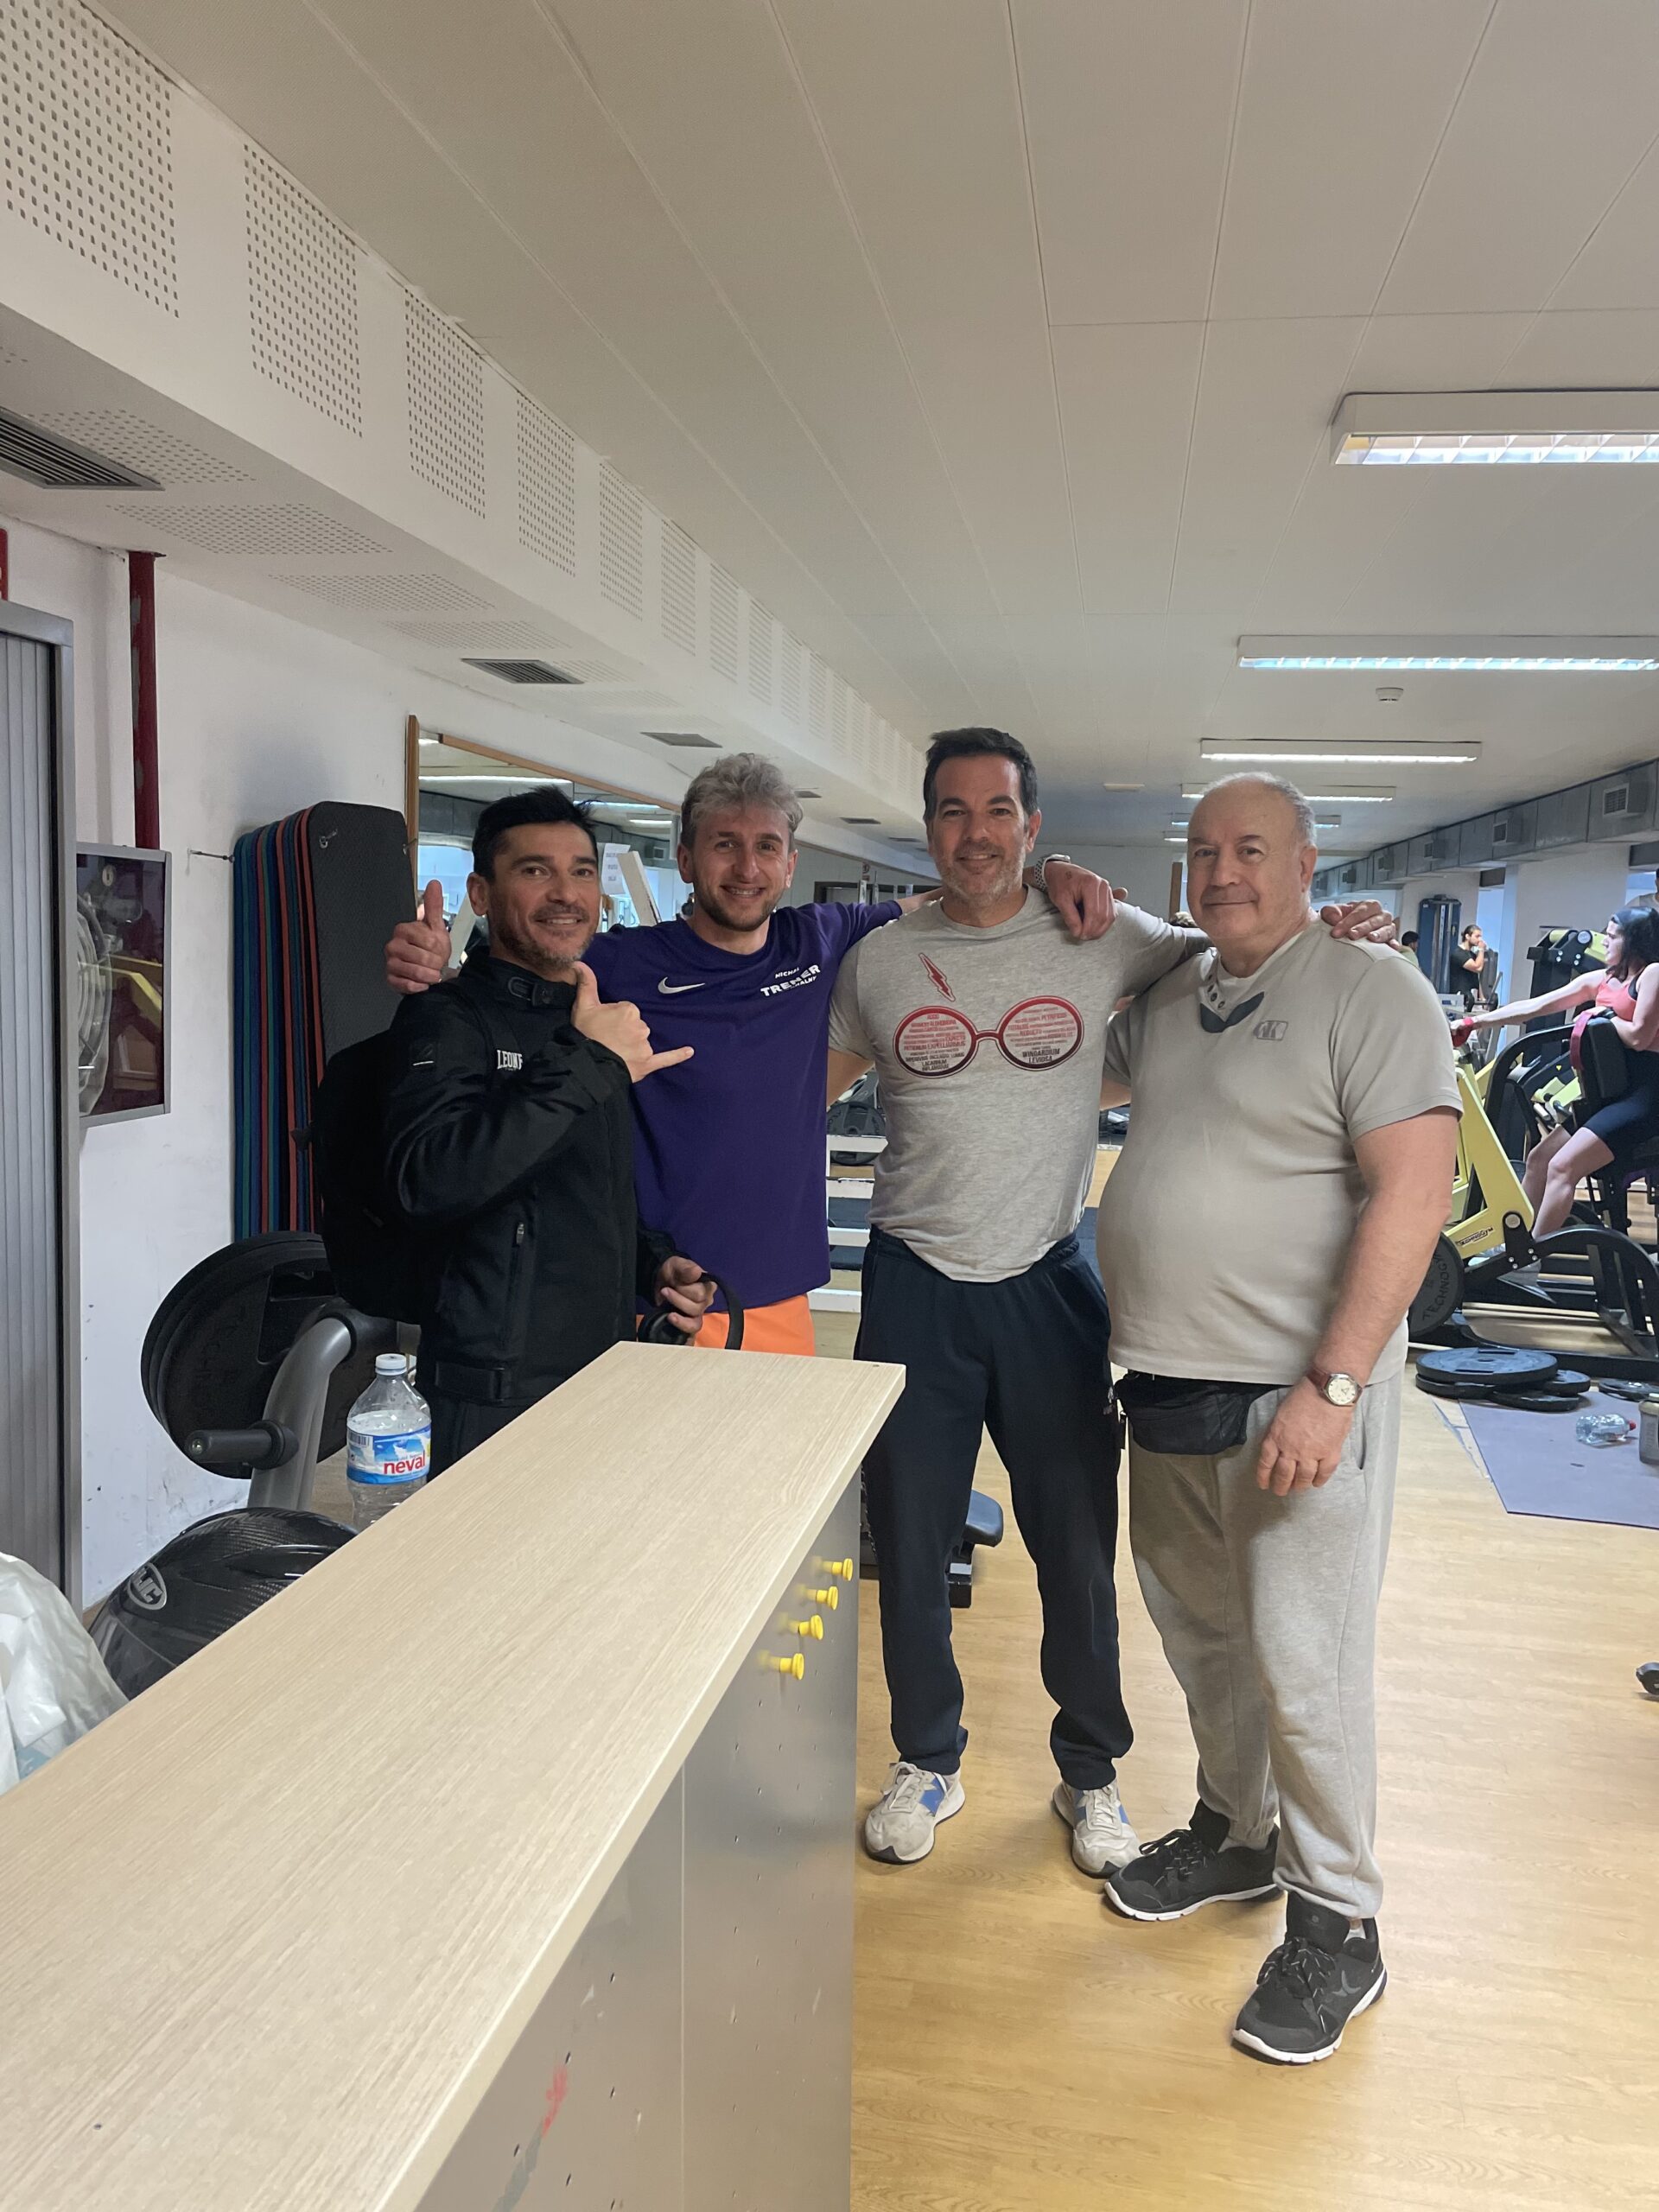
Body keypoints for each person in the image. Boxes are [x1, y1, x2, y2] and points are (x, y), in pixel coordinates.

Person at [826, 734, 1402, 1880]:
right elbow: (799, 1091)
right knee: (910, 1539)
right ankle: (927, 1758)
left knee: (1078, 1554)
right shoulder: (878, 962)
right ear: (928, 826)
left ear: (1033, 827)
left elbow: (1246, 948)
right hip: (911, 1283)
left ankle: (1090, 1772)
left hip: (1048, 1285)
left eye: (999, 811)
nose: (976, 833)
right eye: (953, 811)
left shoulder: (1110, 936)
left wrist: (1336, 932)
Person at [1091, 773, 1459, 2066]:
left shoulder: (1373, 990)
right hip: (1165, 1381)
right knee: (1202, 1637)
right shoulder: (1171, 997)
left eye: (1252, 848)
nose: (1224, 871)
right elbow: (1063, 1053)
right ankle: (1237, 1833)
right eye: (1204, 851)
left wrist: (1335, 1386)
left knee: (1306, 1667)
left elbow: (1414, 1194)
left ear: (1309, 863)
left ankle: (1339, 1919)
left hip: (1293, 1397)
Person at [385, 753, 1118, 1351]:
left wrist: (1049, 870)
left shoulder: (820, 938)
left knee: (775, 1484)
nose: (746, 867)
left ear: (790, 863)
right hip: (655, 1290)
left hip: (779, 1291)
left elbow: (957, 892)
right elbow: (519, 978)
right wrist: (437, 969)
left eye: (766, 846)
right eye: (724, 844)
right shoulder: (616, 962)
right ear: (686, 857)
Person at [381, 787, 716, 1471]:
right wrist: (587, 1062)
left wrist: (654, 1264)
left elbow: (579, 1191)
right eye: (535, 870)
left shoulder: (587, 1018)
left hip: (600, 1373)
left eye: (582, 872)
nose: (566, 893)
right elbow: (429, 1181)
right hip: (491, 1393)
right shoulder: (446, 1018)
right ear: (481, 893)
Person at [1458, 906, 1659, 1235]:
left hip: (1644, 1096)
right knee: (1539, 1161)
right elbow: (1535, 1006)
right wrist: (1474, 1022)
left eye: (1612, 937)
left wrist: (1602, 1017)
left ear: (1634, 941)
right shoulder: (1604, 980)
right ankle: (1513, 1245)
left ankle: (1533, 1252)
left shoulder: (1653, 975)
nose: (1605, 942)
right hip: (1608, 1094)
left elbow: (1639, 1036)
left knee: (1563, 1168)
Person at [1449, 923, 1488, 1007]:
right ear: (1467, 936)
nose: (1480, 940)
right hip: (1461, 998)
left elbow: (1477, 975)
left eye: (1480, 937)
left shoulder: (1472, 955)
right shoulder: (1459, 954)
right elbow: (1477, 967)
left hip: (1472, 997)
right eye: (1477, 936)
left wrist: (1482, 997)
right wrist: (1481, 949)